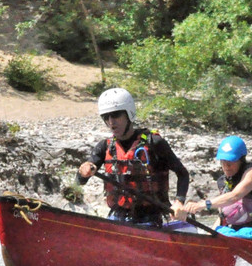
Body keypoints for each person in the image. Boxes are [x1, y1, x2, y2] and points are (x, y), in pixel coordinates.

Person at [77, 87, 190, 225]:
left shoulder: (154, 143)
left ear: (129, 114)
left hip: (149, 218)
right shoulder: (105, 146)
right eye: (106, 117)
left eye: (116, 115)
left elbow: (183, 174)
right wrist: (84, 170)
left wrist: (179, 202)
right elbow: (80, 180)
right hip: (117, 216)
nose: (111, 121)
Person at [174, 135, 252, 238]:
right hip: (235, 232)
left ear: (241, 160)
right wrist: (207, 238)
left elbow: (235, 196)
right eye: (223, 162)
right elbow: (222, 217)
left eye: (230, 163)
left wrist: (202, 204)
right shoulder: (223, 182)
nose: (226, 167)